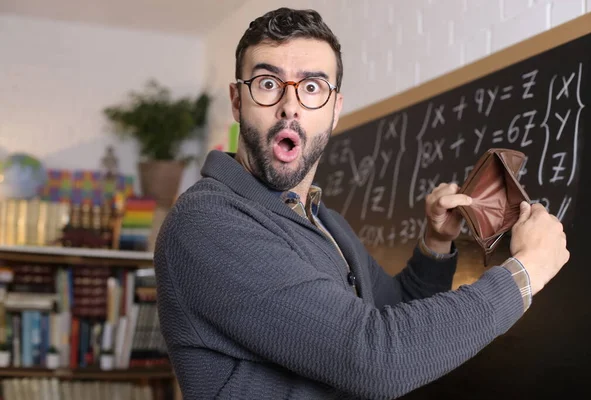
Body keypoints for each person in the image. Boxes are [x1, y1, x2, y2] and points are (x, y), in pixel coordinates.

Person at [154, 8, 569, 400]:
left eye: (312, 87)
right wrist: (525, 273)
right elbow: (375, 355)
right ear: (236, 101)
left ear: (335, 110)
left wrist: (436, 242)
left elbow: (397, 309)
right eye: (267, 83)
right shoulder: (207, 222)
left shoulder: (325, 224)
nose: (290, 106)